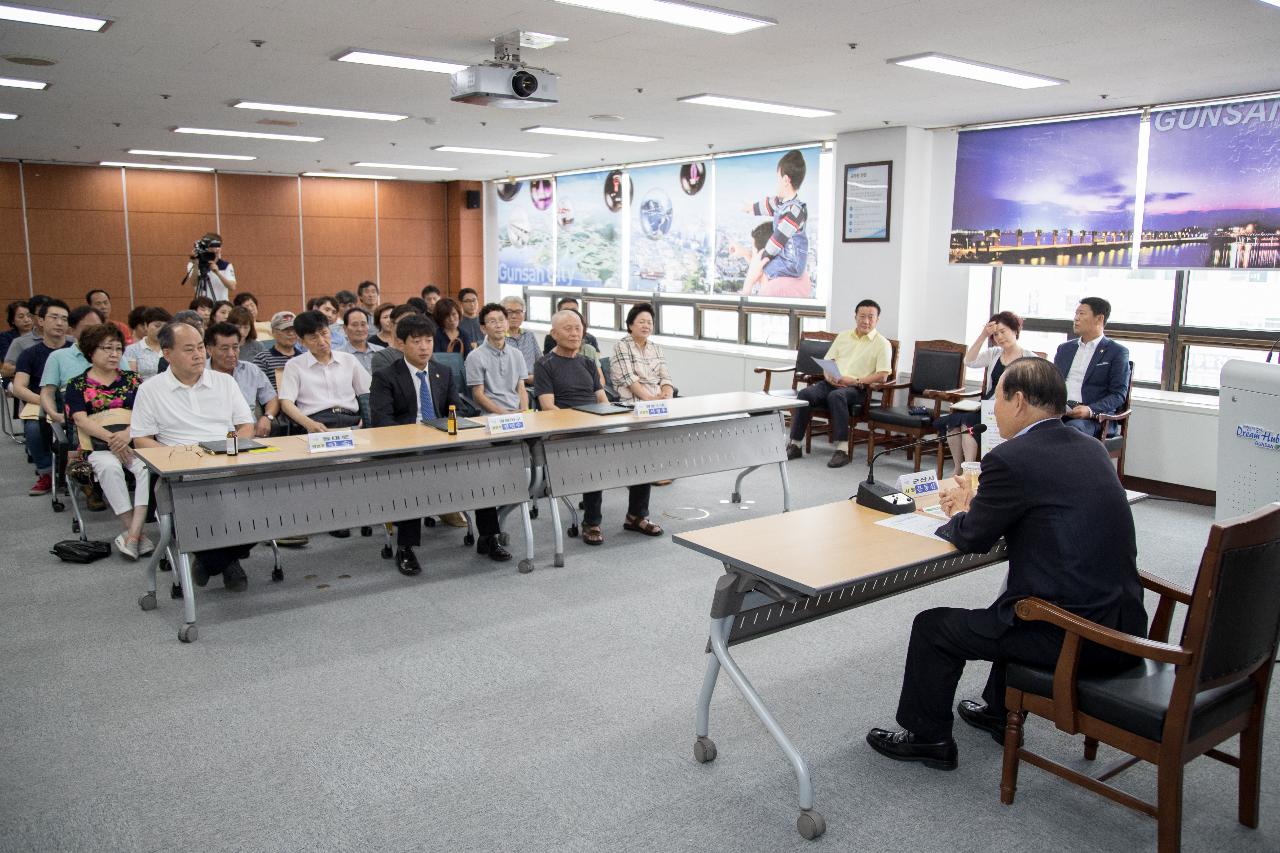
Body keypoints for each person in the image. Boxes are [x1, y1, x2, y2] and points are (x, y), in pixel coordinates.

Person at [865, 358, 1147, 771]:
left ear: (1017, 401)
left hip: (1073, 635)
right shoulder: (1092, 448)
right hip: (1121, 623)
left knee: (934, 626)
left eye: (996, 398)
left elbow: (973, 537)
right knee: (1014, 602)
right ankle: (998, 710)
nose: (993, 409)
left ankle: (929, 738)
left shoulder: (1013, 457)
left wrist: (961, 510)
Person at [370, 312, 512, 573]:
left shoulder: (442, 372)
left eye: (427, 341)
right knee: (411, 477)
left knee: (481, 468)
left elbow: (453, 410)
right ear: (401, 344)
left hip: (443, 442)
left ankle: (488, 537)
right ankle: (406, 547)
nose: (424, 347)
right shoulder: (386, 376)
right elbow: (382, 423)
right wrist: (417, 436)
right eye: (416, 341)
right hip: (406, 448)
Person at [131, 322, 255, 591]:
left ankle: (212, 561)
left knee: (267, 508)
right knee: (203, 511)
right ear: (167, 354)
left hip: (226, 461)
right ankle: (226, 561)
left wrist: (232, 449)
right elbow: (141, 439)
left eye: (200, 347)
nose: (199, 354)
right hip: (181, 471)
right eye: (189, 349)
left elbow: (245, 426)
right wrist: (179, 457)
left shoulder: (224, 381)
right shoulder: (150, 390)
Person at [535, 310, 662, 546]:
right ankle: (591, 522)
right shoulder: (545, 364)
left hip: (595, 424)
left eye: (578, 328)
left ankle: (636, 516)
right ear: (553, 334)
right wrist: (580, 421)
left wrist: (613, 420)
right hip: (566, 432)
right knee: (595, 458)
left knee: (640, 450)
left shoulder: (586, 362)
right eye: (568, 328)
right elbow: (547, 407)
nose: (575, 333)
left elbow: (602, 400)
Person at [63, 323, 150, 559]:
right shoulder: (77, 384)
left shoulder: (133, 380)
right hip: (97, 445)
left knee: (145, 468)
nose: (114, 354)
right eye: (107, 348)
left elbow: (147, 413)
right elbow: (80, 419)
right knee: (109, 467)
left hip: (132, 440)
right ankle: (134, 530)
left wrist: (126, 435)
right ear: (91, 351)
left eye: (118, 349)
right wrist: (113, 440)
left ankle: (133, 534)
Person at [787, 299, 893, 468]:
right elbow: (828, 361)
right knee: (805, 394)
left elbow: (883, 375)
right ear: (855, 316)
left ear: (877, 319)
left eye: (871, 317)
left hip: (857, 388)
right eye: (862, 316)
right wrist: (828, 375)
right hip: (831, 382)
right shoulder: (843, 336)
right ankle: (795, 444)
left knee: (836, 396)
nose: (866, 321)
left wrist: (856, 380)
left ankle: (842, 450)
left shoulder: (882, 344)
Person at [936, 311, 1039, 477]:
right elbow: (969, 361)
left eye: (1003, 331)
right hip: (989, 408)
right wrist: (984, 334)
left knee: (967, 422)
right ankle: (959, 468)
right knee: (958, 422)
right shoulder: (994, 354)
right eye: (995, 334)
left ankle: (970, 471)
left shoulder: (1030, 358)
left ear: (1015, 330)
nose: (999, 337)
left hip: (1014, 411)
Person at [12, 299, 71, 495]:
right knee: (33, 428)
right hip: (41, 400)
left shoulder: (76, 349)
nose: (59, 323)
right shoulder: (30, 353)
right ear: (41, 321)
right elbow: (19, 387)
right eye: (54, 317)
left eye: (64, 319)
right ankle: (46, 472)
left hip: (74, 399)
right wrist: (46, 402)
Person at [278, 310, 370, 434]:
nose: (321, 341)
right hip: (315, 423)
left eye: (324, 333)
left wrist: (367, 418)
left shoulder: (349, 360)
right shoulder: (294, 365)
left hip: (352, 421)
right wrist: (308, 423)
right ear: (301, 342)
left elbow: (369, 393)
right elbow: (286, 403)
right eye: (313, 337)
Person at [1052, 297, 1131, 439]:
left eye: (1081, 314)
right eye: (1075, 314)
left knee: (1070, 431)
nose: (1076, 318)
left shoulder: (1116, 352)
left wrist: (1089, 410)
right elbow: (1051, 384)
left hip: (1093, 418)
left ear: (1099, 318)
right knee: (1029, 425)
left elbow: (1118, 394)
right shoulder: (1065, 349)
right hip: (1061, 411)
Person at [739, 149, 809, 297]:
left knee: (764, 266)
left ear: (785, 180)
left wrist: (763, 257)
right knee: (762, 266)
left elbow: (778, 240)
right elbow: (769, 205)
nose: (776, 184)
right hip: (788, 261)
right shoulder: (783, 204)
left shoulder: (794, 211)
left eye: (777, 178)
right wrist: (751, 208)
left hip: (791, 261)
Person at [206, 321, 278, 438]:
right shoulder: (199, 374)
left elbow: (271, 398)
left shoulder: (251, 370)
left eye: (235, 347)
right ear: (209, 350)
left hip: (251, 433)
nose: (231, 354)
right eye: (224, 348)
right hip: (214, 434)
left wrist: (267, 417)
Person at [38, 305, 104, 421]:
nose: (95, 332)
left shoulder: (115, 354)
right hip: (76, 418)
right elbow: (48, 393)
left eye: (98, 327)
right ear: (72, 330)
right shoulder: (58, 357)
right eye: (88, 327)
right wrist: (54, 415)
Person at [467, 303, 528, 414]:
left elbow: (521, 388)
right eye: (492, 321)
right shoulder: (475, 356)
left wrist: (524, 411)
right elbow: (478, 395)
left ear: (507, 324)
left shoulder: (517, 354)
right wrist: (504, 414)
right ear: (483, 328)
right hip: (491, 416)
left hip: (517, 413)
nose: (498, 325)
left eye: (501, 320)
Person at [610, 303, 673, 402]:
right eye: (641, 322)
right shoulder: (621, 346)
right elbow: (629, 379)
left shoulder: (656, 348)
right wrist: (651, 399)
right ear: (630, 325)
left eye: (649, 322)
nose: (646, 326)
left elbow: (665, 378)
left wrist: (667, 396)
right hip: (634, 403)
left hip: (658, 402)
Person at [3, 294, 54, 381]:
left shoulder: (68, 339)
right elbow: (6, 371)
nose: (26, 320)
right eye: (41, 314)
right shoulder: (18, 342)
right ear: (32, 316)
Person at [252, 311, 301, 390]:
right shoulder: (262, 359)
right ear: (273, 332)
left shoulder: (304, 358)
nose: (292, 334)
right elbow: (258, 389)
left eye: (294, 330)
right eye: (286, 330)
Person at [184, 232, 237, 301]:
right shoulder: (193, 264)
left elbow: (232, 287)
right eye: (211, 246)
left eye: (217, 246)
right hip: (202, 306)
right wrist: (196, 264)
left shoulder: (226, 265)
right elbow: (194, 283)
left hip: (220, 306)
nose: (214, 249)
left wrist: (218, 273)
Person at [371, 304, 420, 374]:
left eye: (413, 323)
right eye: (403, 323)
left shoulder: (423, 351)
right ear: (391, 325)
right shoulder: (382, 357)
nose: (409, 327)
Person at [123, 307, 171, 379]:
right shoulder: (132, 350)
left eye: (165, 326)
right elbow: (131, 377)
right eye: (157, 326)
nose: (161, 329)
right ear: (145, 325)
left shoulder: (171, 348)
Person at [501, 295, 540, 382]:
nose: (514, 316)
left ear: (524, 314)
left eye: (518, 311)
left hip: (534, 386)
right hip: (509, 388)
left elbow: (541, 362)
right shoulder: (498, 338)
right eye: (509, 312)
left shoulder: (529, 335)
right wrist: (526, 379)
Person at [335, 306, 384, 374]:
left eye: (363, 324)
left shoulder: (382, 352)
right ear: (345, 328)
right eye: (355, 325)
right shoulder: (338, 355)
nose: (360, 329)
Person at [0, 300, 33, 367]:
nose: (26, 320)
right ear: (12, 321)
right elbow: (6, 361)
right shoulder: (5, 337)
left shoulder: (41, 333)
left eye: (29, 316)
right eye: (21, 317)